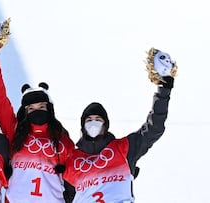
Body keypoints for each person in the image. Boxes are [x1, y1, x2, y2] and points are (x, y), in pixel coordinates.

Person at [62, 50, 176, 202]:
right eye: (89, 120)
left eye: (98, 119)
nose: (93, 123)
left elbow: (154, 128)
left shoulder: (123, 149)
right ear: (82, 127)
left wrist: (164, 90)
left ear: (106, 125)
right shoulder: (72, 160)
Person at [0, 35, 75, 203]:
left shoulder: (63, 142)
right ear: (25, 112)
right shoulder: (15, 132)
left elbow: (85, 172)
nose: (37, 112)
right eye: (31, 109)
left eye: (41, 107)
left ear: (49, 110)